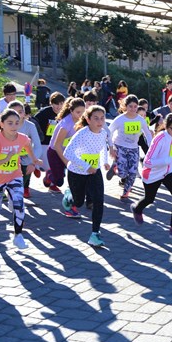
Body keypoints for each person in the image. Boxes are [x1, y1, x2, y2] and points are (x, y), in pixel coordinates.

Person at [0, 109, 42, 249]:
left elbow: (28, 146)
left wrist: (34, 160)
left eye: (17, 123)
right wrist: (7, 159)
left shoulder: (22, 138)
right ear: (2, 124)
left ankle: (18, 235)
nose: (14, 126)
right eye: (10, 123)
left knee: (19, 204)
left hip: (14, 176)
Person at [63, 105, 111, 246]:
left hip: (94, 171)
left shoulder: (103, 133)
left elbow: (103, 148)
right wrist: (86, 166)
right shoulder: (82, 134)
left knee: (98, 200)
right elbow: (68, 153)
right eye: (96, 118)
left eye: (102, 118)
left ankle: (95, 234)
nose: (99, 121)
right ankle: (69, 196)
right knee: (78, 202)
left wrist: (105, 162)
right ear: (88, 120)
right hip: (77, 172)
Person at [0, 101, 42, 199]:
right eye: (14, 112)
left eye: (20, 112)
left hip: (24, 160)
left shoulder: (30, 126)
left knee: (18, 188)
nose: (17, 115)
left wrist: (33, 163)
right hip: (3, 160)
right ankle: (0, 189)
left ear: (24, 113)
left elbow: (37, 146)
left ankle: (17, 196)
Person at [107, 95, 153, 200]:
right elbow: (109, 132)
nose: (133, 109)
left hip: (134, 148)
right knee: (123, 173)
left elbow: (147, 134)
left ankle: (126, 192)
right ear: (125, 106)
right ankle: (115, 167)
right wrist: (111, 147)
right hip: (120, 147)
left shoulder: (140, 120)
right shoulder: (120, 119)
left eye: (135, 106)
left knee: (133, 172)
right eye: (130, 106)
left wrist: (151, 148)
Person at [44, 97, 86, 196]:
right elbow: (57, 145)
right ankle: (49, 175)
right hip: (55, 152)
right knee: (59, 181)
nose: (81, 115)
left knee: (68, 174)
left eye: (83, 112)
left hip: (69, 152)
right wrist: (66, 162)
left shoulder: (83, 121)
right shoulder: (66, 124)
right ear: (71, 111)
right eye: (78, 112)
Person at [34, 92, 65, 176]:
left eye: (61, 104)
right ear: (51, 103)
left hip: (57, 143)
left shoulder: (65, 114)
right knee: (48, 166)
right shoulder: (44, 112)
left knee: (55, 167)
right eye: (56, 104)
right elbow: (34, 122)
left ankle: (50, 181)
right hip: (44, 142)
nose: (58, 106)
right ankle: (35, 168)